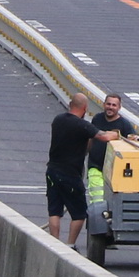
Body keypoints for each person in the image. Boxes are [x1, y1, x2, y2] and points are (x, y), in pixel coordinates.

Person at [44, 93, 94, 245]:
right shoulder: (82, 125)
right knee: (79, 214)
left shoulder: (58, 120)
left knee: (54, 211)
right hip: (70, 174)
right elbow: (102, 137)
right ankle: (70, 245)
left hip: (52, 171)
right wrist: (113, 134)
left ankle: (54, 243)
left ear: (70, 104)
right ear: (84, 108)